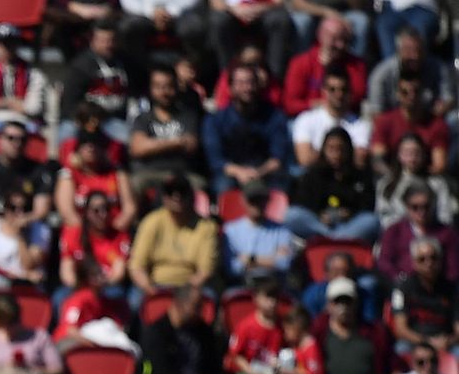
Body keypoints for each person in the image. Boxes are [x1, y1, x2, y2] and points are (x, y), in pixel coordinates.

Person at [203, 63, 291, 196]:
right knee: (223, 186)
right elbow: (216, 160)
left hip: (265, 171)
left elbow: (278, 157)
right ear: (231, 87)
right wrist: (240, 172)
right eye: (241, 83)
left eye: (251, 82)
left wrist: (258, 173)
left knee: (281, 186)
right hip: (231, 174)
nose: (247, 88)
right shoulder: (216, 120)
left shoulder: (275, 116)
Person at [285, 126, 380, 241]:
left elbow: (367, 205)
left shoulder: (360, 175)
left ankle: (336, 240)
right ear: (324, 149)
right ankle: (335, 239)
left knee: (371, 221)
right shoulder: (313, 174)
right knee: (292, 215)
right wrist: (320, 215)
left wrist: (349, 213)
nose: (336, 154)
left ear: (348, 150)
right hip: (320, 225)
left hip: (350, 225)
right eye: (331, 149)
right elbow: (303, 202)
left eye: (340, 149)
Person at [128, 175, 219, 294]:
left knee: (208, 296)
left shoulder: (206, 227)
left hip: (193, 287)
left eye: (182, 191)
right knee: (134, 301)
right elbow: (137, 266)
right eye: (170, 192)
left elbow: (205, 271)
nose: (176, 197)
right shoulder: (151, 222)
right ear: (163, 197)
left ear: (191, 196)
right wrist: (149, 289)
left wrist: (185, 294)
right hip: (156, 285)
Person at [137, 285, 226, 374]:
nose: (200, 312)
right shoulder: (156, 333)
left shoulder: (203, 332)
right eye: (196, 307)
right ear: (180, 304)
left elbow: (213, 367)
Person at [127, 64, 205, 196]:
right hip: (149, 174)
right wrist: (177, 142)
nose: (164, 92)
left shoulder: (188, 116)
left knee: (200, 186)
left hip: (183, 174)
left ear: (176, 87)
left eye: (168, 86)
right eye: (158, 87)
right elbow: (138, 148)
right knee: (134, 184)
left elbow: (191, 145)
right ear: (151, 89)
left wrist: (152, 144)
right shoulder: (142, 119)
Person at [0, 23, 56, 135]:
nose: (8, 47)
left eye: (12, 43)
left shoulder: (32, 73)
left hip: (24, 122)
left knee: (35, 134)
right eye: (3, 43)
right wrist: (10, 102)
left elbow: (34, 108)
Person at [208, 0, 294, 81]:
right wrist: (236, 10)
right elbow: (216, 1)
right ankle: (227, 76)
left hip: (262, 11)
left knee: (280, 20)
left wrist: (257, 9)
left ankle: (274, 77)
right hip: (232, 11)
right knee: (218, 21)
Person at [59, 19, 133, 144]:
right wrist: (87, 118)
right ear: (92, 41)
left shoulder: (126, 63)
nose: (108, 45)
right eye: (103, 41)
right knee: (67, 135)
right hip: (84, 119)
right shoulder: (80, 66)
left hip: (114, 119)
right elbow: (69, 105)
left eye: (112, 40)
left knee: (130, 140)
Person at [222, 180, 298, 281]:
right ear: (243, 201)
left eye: (260, 199)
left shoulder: (282, 231)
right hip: (242, 285)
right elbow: (232, 268)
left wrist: (250, 259)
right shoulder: (230, 230)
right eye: (252, 200)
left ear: (267, 200)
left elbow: (284, 264)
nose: (257, 204)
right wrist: (271, 259)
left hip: (273, 285)